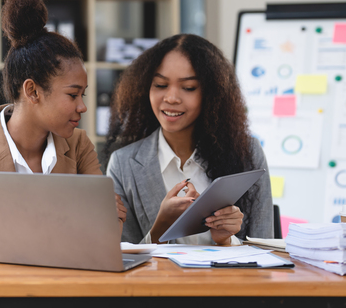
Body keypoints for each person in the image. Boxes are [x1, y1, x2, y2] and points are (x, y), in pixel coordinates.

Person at [0, 0, 126, 248]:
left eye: (83, 95)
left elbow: (108, 227)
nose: (82, 107)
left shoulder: (78, 145)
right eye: (72, 95)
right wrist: (80, 213)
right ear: (32, 91)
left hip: (65, 281)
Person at [104, 34, 273, 245]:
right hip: (158, 280)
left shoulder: (247, 152)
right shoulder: (124, 164)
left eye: (189, 88)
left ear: (211, 94)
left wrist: (226, 241)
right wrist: (160, 228)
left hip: (226, 279)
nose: (171, 98)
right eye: (160, 85)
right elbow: (121, 257)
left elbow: (266, 249)